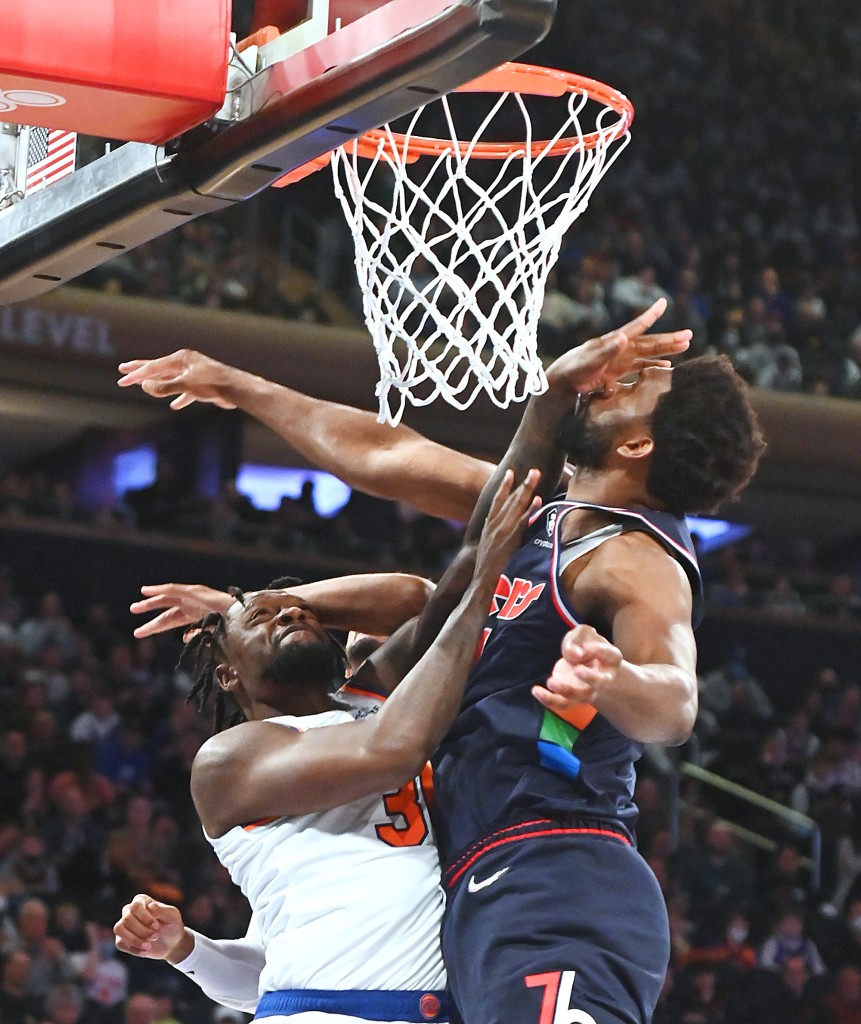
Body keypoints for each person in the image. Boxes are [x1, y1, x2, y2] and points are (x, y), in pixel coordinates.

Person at [119, 299, 765, 1023]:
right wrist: (241, 388)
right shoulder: (541, 515)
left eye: (630, 386)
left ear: (639, 446)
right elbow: (385, 456)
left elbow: (675, 703)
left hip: (552, 868)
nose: (605, 381)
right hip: (478, 888)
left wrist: (613, 678)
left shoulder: (634, 558)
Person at [115, 453, 544, 1024]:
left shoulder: (371, 700)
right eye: (262, 622)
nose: (289, 616)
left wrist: (265, 606)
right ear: (228, 675)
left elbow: (419, 602)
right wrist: (483, 578)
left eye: (298, 612)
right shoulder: (231, 759)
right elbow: (392, 753)